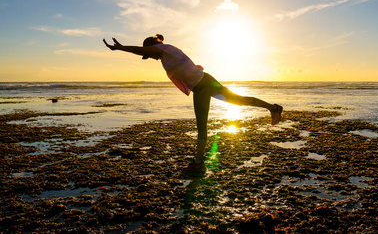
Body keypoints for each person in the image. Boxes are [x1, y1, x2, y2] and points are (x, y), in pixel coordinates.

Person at [103, 35, 283, 173]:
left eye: (149, 55)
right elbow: (185, 66)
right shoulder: (170, 52)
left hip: (203, 87)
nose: (151, 58)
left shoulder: (163, 49)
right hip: (205, 82)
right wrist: (197, 69)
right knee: (238, 101)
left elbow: (139, 51)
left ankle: (198, 164)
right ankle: (273, 108)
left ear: (152, 48)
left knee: (202, 124)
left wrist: (120, 48)